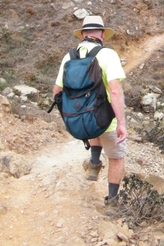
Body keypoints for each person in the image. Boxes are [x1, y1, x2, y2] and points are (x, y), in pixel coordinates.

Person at [52, 15, 127, 206]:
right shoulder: (108, 55)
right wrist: (121, 123)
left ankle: (94, 164)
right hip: (106, 120)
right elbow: (115, 91)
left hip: (79, 118)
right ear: (102, 34)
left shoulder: (69, 56)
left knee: (92, 120)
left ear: (83, 34)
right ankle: (112, 202)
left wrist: (69, 114)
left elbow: (57, 91)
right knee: (117, 158)